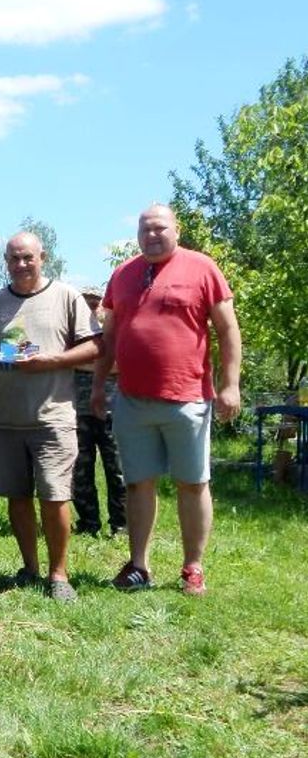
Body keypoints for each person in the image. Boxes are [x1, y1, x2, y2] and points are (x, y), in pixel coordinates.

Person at [94, 204, 241, 595]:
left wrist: (231, 385)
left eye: (160, 228)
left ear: (176, 230)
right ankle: (138, 565)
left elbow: (227, 330)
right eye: (145, 229)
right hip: (131, 399)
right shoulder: (122, 274)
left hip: (188, 397)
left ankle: (193, 566)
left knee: (192, 483)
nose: (152, 235)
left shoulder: (202, 268)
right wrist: (97, 387)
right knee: (138, 483)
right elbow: (108, 338)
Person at [0, 232, 101, 601]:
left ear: (42, 257)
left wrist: (51, 361)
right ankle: (29, 568)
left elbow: (95, 346)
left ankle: (59, 575)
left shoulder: (65, 297)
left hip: (52, 417)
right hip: (4, 419)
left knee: (54, 496)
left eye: (27, 258)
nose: (20, 265)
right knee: (18, 496)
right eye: (13, 258)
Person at [71, 284, 126, 538]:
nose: (91, 305)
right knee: (80, 469)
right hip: (76, 407)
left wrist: (83, 362)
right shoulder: (73, 329)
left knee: (117, 469)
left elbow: (120, 364)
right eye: (86, 300)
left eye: (95, 301)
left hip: (113, 408)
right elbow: (63, 359)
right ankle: (88, 523)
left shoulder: (114, 327)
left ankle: (122, 526)